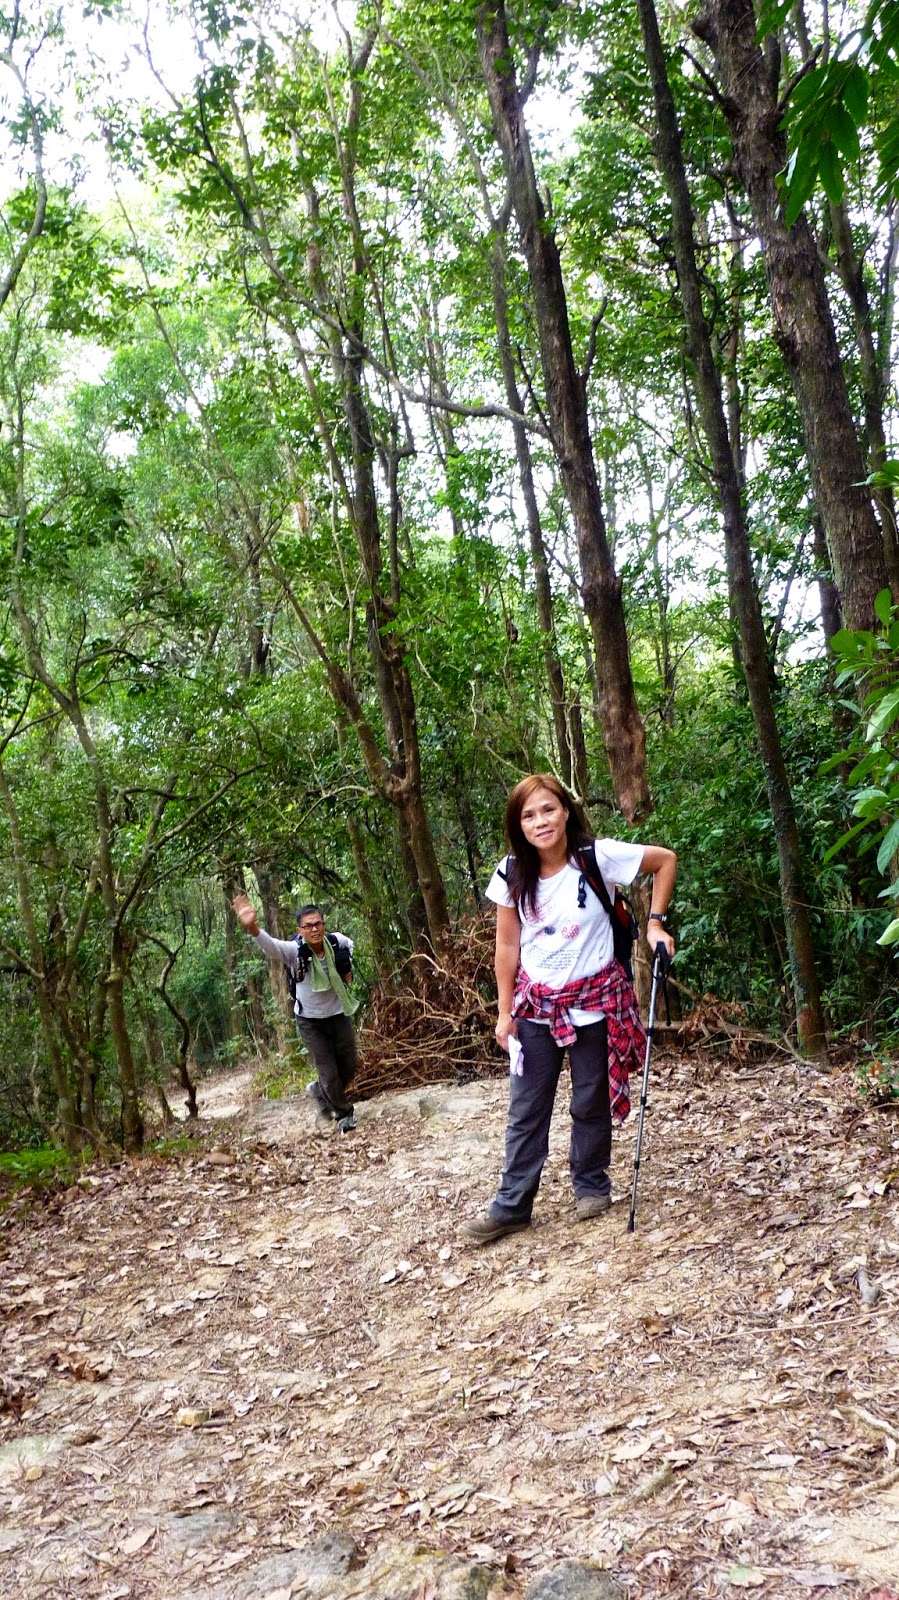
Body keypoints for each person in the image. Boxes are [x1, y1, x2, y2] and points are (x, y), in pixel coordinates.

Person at [462, 773, 676, 1244]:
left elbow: (664, 861)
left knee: (590, 1099)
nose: (540, 822)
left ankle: (592, 1186)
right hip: (536, 1006)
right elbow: (507, 945)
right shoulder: (510, 874)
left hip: (595, 1001)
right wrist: (504, 1013)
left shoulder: (597, 857)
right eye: (529, 815)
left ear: (565, 812)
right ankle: (512, 1206)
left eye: (548, 810)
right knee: (526, 1108)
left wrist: (656, 923)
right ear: (518, 825)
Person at [232, 895, 359, 1133]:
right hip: (310, 1021)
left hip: (338, 1013)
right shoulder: (295, 951)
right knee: (328, 1071)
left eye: (318, 924)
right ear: (299, 930)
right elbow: (272, 947)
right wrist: (252, 927)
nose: (314, 929)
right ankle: (344, 1115)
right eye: (308, 926)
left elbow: (349, 946)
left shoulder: (336, 942)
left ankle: (319, 1091)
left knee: (350, 1064)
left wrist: (346, 966)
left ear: (324, 924)